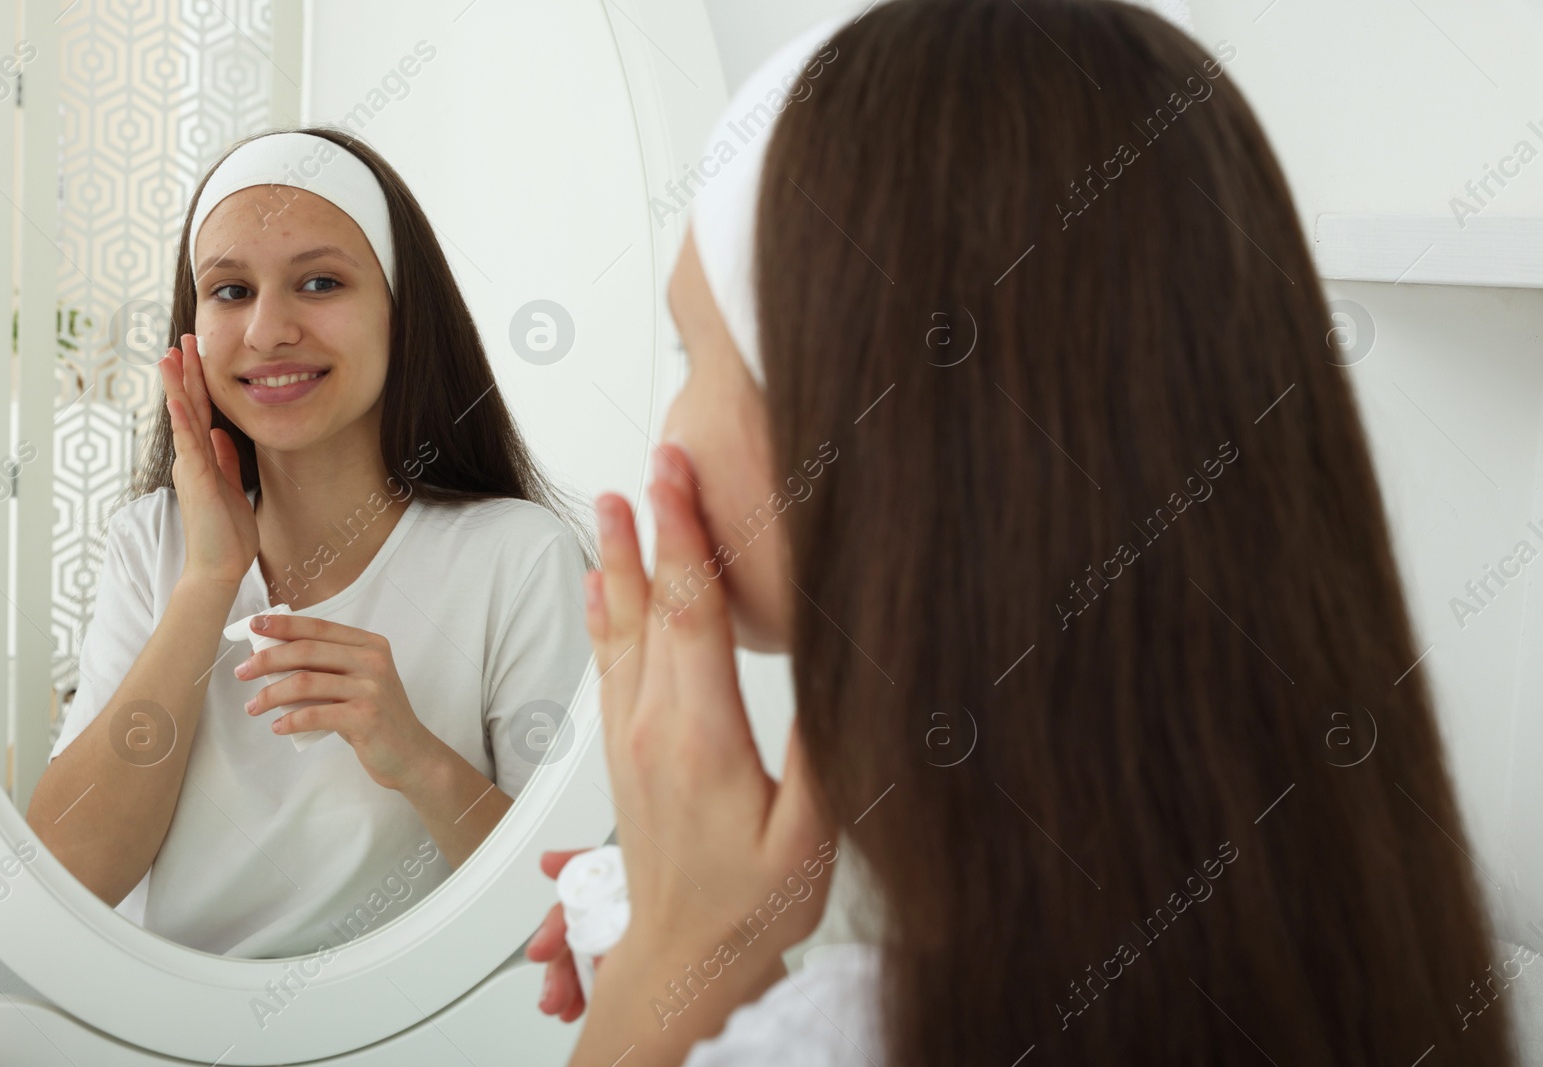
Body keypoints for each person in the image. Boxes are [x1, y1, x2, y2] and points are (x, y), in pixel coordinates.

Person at [527, 1, 1519, 1064]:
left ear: (868, 433)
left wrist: (677, 963)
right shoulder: (1363, 930)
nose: (663, 432)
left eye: (689, 354)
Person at [26, 127, 595, 959]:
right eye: (229, 291)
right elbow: (64, 881)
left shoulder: (520, 557)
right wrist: (208, 581)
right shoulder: (153, 542)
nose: (267, 330)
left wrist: (416, 757)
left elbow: (573, 912)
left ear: (403, 312)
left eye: (319, 282)